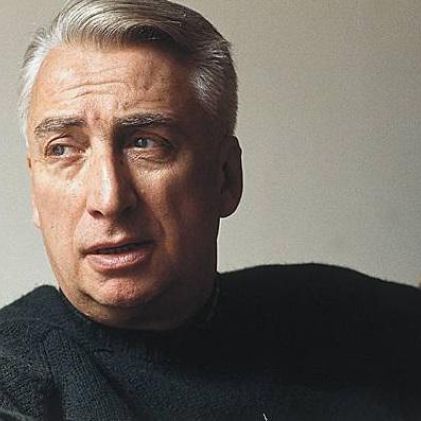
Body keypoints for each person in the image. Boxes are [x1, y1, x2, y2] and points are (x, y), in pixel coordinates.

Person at [1, 0, 421, 420]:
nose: (108, 200)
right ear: (35, 191)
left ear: (225, 177)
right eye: (63, 149)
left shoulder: (350, 319)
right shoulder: (15, 376)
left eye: (146, 143)